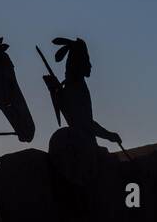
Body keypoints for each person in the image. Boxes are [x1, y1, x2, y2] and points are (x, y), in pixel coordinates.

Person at [43, 36, 121, 209]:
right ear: (79, 63)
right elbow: (85, 122)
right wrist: (109, 135)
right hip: (81, 142)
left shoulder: (73, 85)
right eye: (87, 61)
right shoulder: (75, 87)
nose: (91, 65)